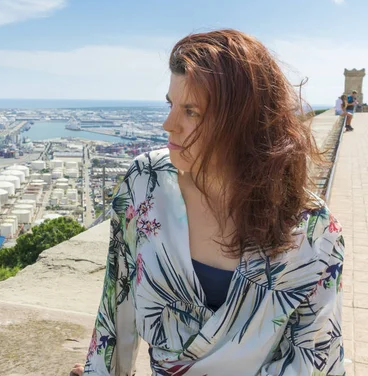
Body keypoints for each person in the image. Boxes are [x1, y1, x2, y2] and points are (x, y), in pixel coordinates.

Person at [71, 29, 344, 376]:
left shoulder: (313, 230)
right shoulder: (146, 183)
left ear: (243, 123)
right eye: (171, 105)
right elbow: (116, 302)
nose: (169, 125)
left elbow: (317, 357)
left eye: (192, 112)